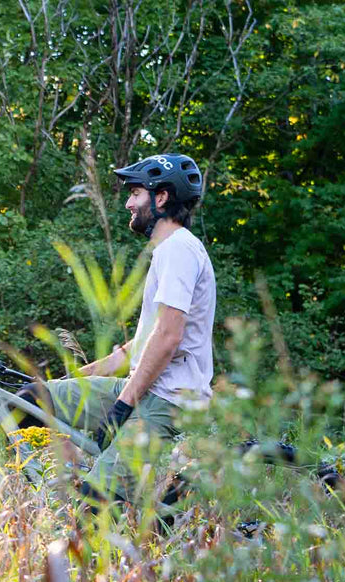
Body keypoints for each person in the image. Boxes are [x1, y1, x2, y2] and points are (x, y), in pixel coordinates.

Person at [32, 153, 216, 507]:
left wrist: (122, 405)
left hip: (168, 400)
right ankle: (74, 486)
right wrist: (70, 379)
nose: (129, 203)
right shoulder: (168, 250)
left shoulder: (177, 249)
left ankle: (99, 507)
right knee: (34, 399)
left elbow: (168, 337)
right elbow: (142, 345)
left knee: (95, 506)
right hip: (147, 390)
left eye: (135, 193)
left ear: (160, 198)